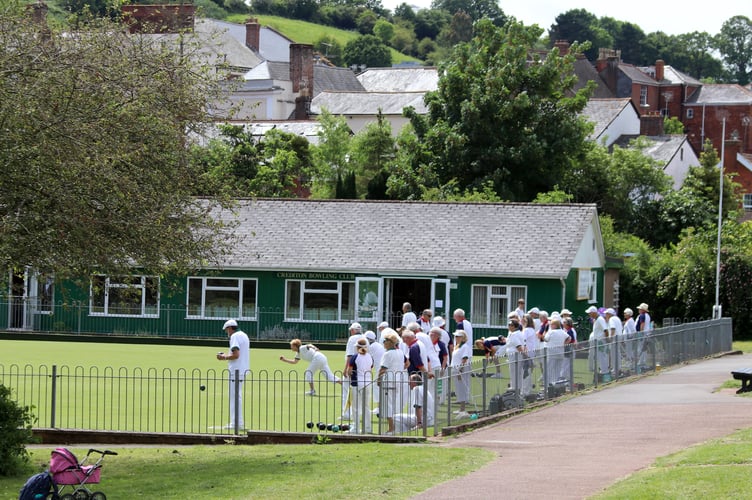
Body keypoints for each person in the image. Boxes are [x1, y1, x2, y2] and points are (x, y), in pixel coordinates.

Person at [216, 319, 249, 430]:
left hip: (236, 370)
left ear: (230, 328)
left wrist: (223, 357)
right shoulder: (244, 335)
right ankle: (237, 422)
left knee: (234, 397)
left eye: (227, 330)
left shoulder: (234, 336)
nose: (227, 333)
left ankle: (236, 423)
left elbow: (236, 354)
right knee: (236, 396)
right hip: (242, 369)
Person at [377, 329, 408, 435]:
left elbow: (382, 369)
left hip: (389, 380)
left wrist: (378, 379)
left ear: (390, 342)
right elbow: (407, 363)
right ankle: (394, 426)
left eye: (385, 341)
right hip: (398, 379)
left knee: (388, 404)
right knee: (393, 403)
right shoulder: (400, 352)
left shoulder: (388, 354)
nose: (384, 343)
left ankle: (391, 428)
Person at [345, 338, 373, 433]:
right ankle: (368, 428)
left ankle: (356, 428)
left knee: (356, 406)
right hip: (368, 382)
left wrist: (350, 375)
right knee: (366, 406)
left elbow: (349, 370)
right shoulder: (370, 356)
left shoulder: (355, 356)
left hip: (357, 383)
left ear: (357, 347)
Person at [342, 322, 365, 420]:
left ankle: (346, 413)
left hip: (352, 368)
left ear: (352, 330)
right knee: (359, 392)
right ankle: (355, 413)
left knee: (347, 391)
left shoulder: (352, 339)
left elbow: (350, 355)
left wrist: (346, 369)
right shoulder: (365, 338)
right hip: (363, 368)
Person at [450, 330, 472, 419]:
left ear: (463, 338)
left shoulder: (465, 347)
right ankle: (460, 408)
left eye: (458, 336)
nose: (456, 338)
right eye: (455, 336)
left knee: (462, 389)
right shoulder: (458, 346)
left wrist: (460, 370)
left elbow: (464, 359)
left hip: (461, 370)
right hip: (455, 369)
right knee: (458, 389)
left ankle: (462, 409)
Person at [505, 318, 530, 397]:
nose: (509, 326)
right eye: (508, 324)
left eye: (510, 325)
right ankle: (517, 389)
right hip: (516, 355)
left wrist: (525, 356)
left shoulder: (514, 334)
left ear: (514, 326)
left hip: (515, 356)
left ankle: (515, 388)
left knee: (514, 372)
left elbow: (519, 346)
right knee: (517, 373)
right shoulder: (518, 333)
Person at [543, 318, 571, 385]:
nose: (550, 326)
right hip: (560, 353)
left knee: (549, 369)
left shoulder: (551, 332)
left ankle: (547, 384)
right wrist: (564, 344)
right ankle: (555, 384)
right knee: (557, 370)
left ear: (555, 325)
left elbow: (546, 339)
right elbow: (569, 338)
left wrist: (544, 333)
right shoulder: (562, 331)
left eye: (551, 324)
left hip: (551, 353)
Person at [587, 305, 610, 381]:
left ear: (593, 313)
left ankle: (604, 373)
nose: (589, 315)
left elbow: (606, 330)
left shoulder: (600, 319)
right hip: (598, 341)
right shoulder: (596, 320)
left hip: (600, 341)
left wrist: (606, 340)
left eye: (590, 313)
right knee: (600, 357)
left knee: (602, 356)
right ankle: (603, 371)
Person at [366, 330, 385, 410]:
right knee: (378, 387)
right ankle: (379, 407)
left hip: (380, 369)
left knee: (376, 387)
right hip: (381, 368)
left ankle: (379, 408)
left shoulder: (372, 347)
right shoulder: (377, 345)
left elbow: (369, 359)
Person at [429, 326, 449, 403]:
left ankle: (441, 400)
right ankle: (432, 399)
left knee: (440, 384)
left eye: (432, 334)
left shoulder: (441, 344)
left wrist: (442, 368)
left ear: (438, 336)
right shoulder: (429, 344)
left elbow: (445, 357)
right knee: (431, 384)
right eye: (430, 334)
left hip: (440, 367)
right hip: (432, 367)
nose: (430, 336)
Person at [605, 308, 623, 377]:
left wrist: (610, 338)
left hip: (614, 339)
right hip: (619, 337)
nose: (605, 315)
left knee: (613, 354)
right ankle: (618, 369)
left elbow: (613, 328)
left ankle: (615, 370)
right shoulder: (617, 318)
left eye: (606, 314)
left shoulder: (611, 319)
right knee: (617, 354)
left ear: (609, 314)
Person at [636, 303, 652, 370]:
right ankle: (643, 363)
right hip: (647, 334)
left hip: (643, 335)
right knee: (644, 349)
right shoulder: (647, 315)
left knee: (640, 349)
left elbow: (642, 324)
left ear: (642, 310)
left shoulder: (642, 315)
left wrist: (640, 333)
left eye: (640, 309)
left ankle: (641, 363)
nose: (639, 310)